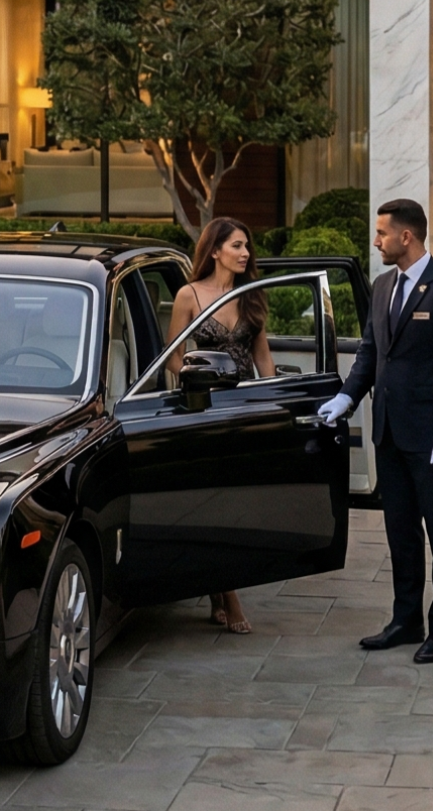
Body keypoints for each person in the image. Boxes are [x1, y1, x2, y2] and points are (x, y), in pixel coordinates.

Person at [316, 197, 433, 664]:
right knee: (401, 533)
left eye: (382, 233)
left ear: (406, 236)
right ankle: (406, 620)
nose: (376, 240)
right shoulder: (384, 284)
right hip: (389, 433)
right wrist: (347, 397)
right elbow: (371, 352)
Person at [166, 215, 273, 636]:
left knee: (238, 501)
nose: (245, 253)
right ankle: (229, 595)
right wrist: (194, 386)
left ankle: (218, 589)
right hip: (206, 409)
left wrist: (273, 396)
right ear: (214, 251)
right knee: (215, 501)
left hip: (244, 408)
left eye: (247, 246)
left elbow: (262, 354)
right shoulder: (189, 295)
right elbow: (173, 354)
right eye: (237, 246)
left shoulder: (251, 295)